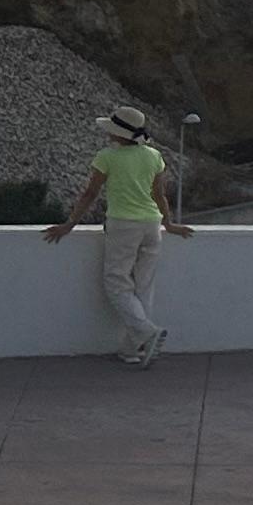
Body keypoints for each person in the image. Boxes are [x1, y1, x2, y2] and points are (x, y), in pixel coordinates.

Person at [43, 104, 191, 362]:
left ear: (119, 133)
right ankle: (132, 350)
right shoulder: (154, 156)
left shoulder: (107, 157)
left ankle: (147, 332)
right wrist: (169, 224)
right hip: (151, 225)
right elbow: (159, 195)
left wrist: (69, 224)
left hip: (123, 225)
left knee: (116, 283)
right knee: (143, 285)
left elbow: (90, 194)